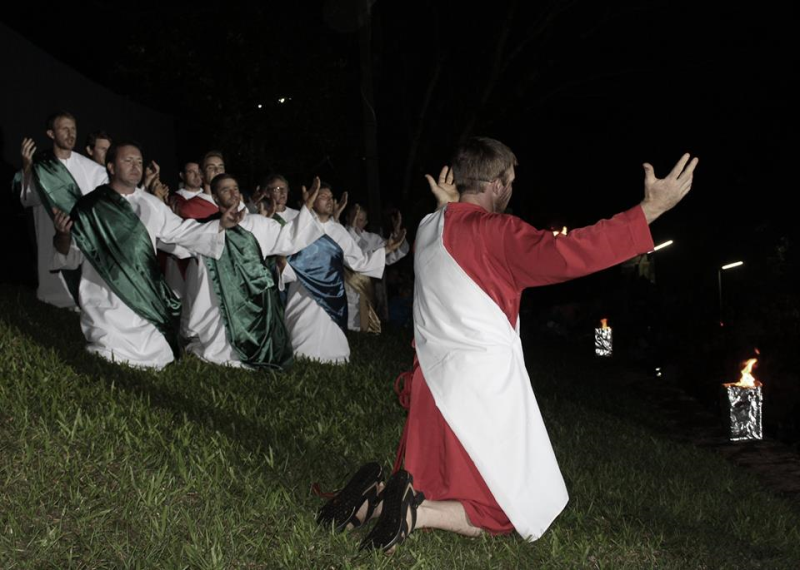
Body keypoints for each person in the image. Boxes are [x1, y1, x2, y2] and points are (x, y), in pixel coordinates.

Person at [317, 137, 698, 553]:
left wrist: (448, 206)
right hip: (481, 394)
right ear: (497, 184)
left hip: (432, 389)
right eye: (511, 180)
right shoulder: (497, 232)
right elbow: (571, 253)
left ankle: (368, 502)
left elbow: (453, 228)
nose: (512, 188)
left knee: (444, 487)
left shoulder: (428, 227)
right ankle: (415, 511)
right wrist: (649, 210)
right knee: (504, 514)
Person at [51, 141, 244, 369]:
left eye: (139, 162)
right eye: (128, 161)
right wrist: (62, 235)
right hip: (107, 298)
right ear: (111, 167)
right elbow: (70, 255)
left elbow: (182, 231)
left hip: (146, 296)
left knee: (161, 352)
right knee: (108, 352)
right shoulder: (90, 207)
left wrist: (219, 225)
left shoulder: (150, 203)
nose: (136, 167)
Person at [183, 173, 325, 369]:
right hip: (220, 300)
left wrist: (308, 205)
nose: (233, 193)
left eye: (235, 188)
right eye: (225, 190)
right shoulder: (207, 227)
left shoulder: (257, 223)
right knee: (217, 337)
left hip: (253, 298)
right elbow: (178, 239)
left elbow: (290, 237)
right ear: (215, 197)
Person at [283, 183, 404, 363]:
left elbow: (359, 261)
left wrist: (387, 249)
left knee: (330, 329)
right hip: (304, 290)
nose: (329, 201)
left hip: (331, 291)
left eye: (331, 197)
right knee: (302, 327)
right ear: (311, 200)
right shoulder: (300, 224)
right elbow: (284, 252)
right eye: (323, 196)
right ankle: (299, 354)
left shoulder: (338, 230)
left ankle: (331, 357)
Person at [15, 111, 108, 308]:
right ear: (51, 134)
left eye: (73, 129)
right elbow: (28, 199)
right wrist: (27, 167)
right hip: (48, 231)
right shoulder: (41, 165)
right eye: (64, 129)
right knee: (54, 288)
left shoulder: (94, 170)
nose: (70, 133)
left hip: (83, 242)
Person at [344, 204, 409, 332]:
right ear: (347, 218)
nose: (357, 222)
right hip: (342, 286)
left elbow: (394, 253)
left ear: (366, 223)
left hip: (364, 288)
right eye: (354, 217)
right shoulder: (339, 233)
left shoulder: (372, 239)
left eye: (361, 220)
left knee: (361, 326)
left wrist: (397, 233)